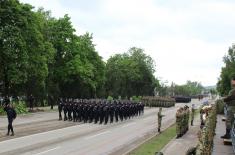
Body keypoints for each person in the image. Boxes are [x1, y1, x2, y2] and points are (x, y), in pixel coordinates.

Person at [221, 75, 235, 139]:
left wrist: (224, 99)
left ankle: (228, 134)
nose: (231, 82)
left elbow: (230, 98)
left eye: (232, 81)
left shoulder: (233, 91)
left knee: (228, 121)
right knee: (230, 121)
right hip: (231, 107)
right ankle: (229, 134)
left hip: (232, 107)